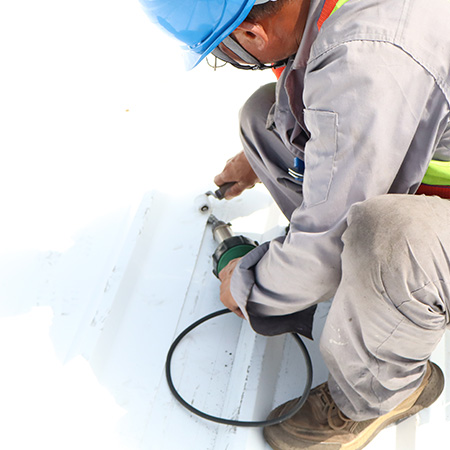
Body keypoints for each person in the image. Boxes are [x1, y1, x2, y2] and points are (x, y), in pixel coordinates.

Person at [140, 0, 450, 448]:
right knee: (260, 117)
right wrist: (259, 156)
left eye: (222, 51)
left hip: (423, 215)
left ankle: (377, 396)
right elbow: (346, 108)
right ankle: (352, 291)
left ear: (251, 34)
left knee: (390, 236)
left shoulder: (367, 60)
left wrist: (245, 286)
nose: (225, 58)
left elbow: (326, 244)